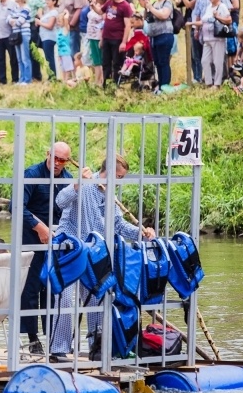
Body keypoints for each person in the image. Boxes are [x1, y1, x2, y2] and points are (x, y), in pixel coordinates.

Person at [48, 155, 155, 358]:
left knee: (96, 299)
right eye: (119, 176)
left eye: (122, 177)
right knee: (64, 300)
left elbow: (118, 224)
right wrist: (78, 184)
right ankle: (58, 349)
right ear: (110, 172)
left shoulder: (109, 195)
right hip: (69, 250)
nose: (120, 180)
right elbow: (60, 201)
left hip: (93, 253)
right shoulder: (87, 183)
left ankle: (95, 347)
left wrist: (142, 233)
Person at [9, 142, 73, 355]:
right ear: (47, 153)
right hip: (30, 239)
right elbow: (15, 206)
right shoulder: (32, 174)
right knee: (29, 289)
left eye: (62, 160)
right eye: (54, 157)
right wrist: (38, 227)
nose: (57, 163)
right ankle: (32, 338)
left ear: (67, 161)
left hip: (56, 242)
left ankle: (54, 339)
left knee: (53, 288)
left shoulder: (68, 180)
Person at [141, 0, 173, 88]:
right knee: (157, 62)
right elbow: (147, 18)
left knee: (164, 61)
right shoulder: (154, 4)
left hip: (165, 35)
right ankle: (159, 84)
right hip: (154, 36)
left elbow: (164, 15)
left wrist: (152, 8)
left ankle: (165, 84)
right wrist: (147, 8)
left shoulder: (167, 3)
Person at [100, 0, 133, 87]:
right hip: (107, 37)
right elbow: (101, 11)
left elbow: (128, 25)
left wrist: (123, 42)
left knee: (116, 63)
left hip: (117, 38)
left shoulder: (125, 6)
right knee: (105, 62)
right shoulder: (109, 2)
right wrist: (92, 5)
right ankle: (106, 84)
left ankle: (116, 84)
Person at [201, 0, 231, 89]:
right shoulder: (209, 7)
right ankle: (208, 82)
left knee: (217, 61)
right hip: (207, 38)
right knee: (205, 60)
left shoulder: (222, 6)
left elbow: (229, 20)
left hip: (217, 37)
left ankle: (217, 83)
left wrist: (217, 16)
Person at [36, 0, 59, 79]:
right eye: (46, 0)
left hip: (49, 37)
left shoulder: (54, 12)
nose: (47, 2)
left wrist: (40, 23)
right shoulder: (48, 12)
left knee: (49, 57)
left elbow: (50, 26)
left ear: (54, 1)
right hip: (45, 37)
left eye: (49, 0)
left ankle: (52, 76)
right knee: (47, 57)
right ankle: (51, 75)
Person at [56, 12, 74, 81]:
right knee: (62, 68)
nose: (58, 22)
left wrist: (66, 14)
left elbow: (66, 22)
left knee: (67, 68)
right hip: (60, 53)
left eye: (60, 21)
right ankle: (64, 80)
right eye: (57, 21)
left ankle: (67, 80)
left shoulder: (65, 29)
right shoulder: (59, 30)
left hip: (66, 52)